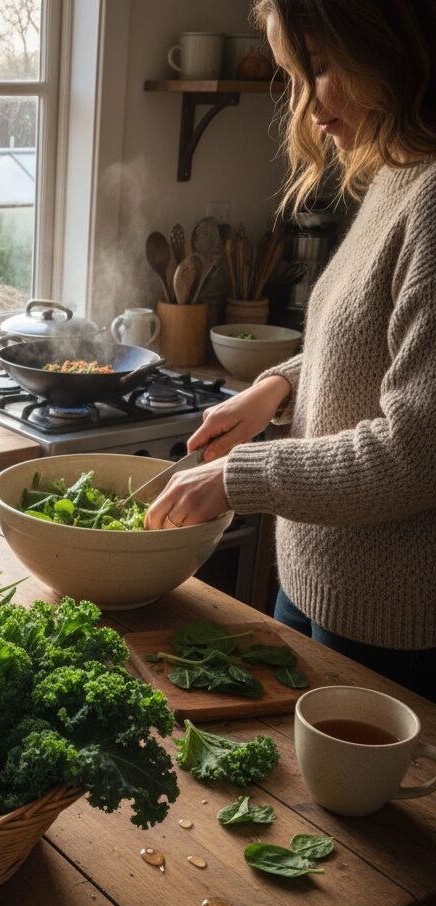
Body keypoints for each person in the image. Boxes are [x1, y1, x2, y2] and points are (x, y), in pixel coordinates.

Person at [146, 0, 436, 699]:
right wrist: (275, 387)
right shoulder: (400, 172)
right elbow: (369, 349)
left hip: (389, 630)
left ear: (393, 48)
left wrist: (235, 477)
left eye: (322, 70)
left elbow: (415, 454)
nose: (308, 110)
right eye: (292, 78)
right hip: (314, 585)